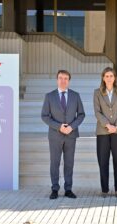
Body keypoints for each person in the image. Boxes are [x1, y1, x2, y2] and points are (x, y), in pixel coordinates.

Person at [41, 70, 85, 199]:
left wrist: (71, 127)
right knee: (54, 162)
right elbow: (44, 116)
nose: (63, 80)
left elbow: (81, 114)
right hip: (55, 135)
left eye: (66, 78)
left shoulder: (75, 96)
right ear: (57, 80)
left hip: (71, 135)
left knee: (69, 163)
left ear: (69, 81)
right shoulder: (49, 96)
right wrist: (59, 127)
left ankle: (68, 189)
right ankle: (54, 188)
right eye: (60, 78)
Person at [93, 67, 117, 198]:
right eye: (106, 76)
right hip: (103, 131)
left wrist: (116, 126)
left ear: (115, 78)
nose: (109, 78)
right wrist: (107, 125)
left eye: (111, 76)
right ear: (103, 78)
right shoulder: (97, 92)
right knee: (103, 161)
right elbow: (97, 112)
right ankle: (105, 189)